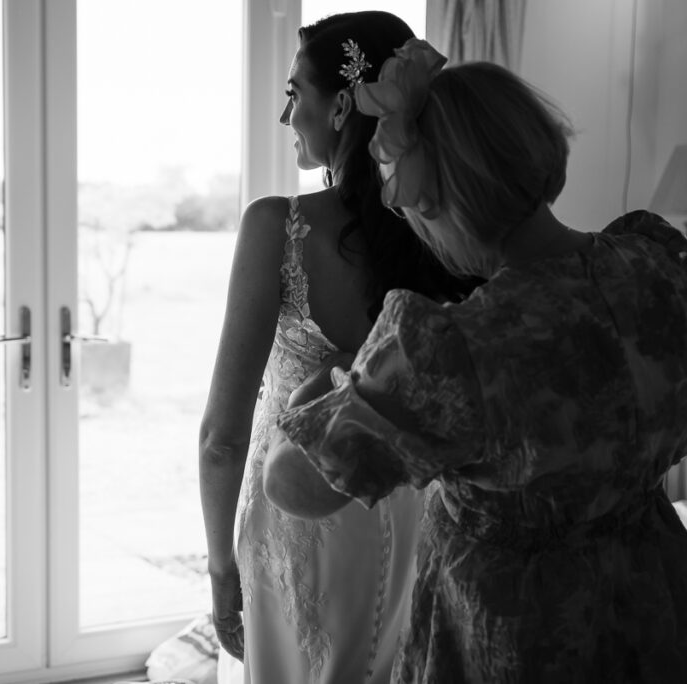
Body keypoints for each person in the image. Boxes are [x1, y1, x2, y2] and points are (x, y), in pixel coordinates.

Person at [265, 38, 687, 683]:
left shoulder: (458, 349)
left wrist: (325, 385)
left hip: (520, 638)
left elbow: (293, 486)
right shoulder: (657, 265)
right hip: (655, 601)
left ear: (432, 198)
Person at [198, 13, 477, 684]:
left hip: (298, 514)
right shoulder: (451, 230)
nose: (287, 113)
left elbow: (223, 438)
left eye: (297, 93)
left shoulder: (278, 227)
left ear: (344, 103)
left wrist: (218, 568)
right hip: (420, 514)